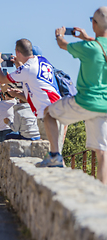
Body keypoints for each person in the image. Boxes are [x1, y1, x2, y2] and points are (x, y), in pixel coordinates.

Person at [41, 7, 107, 183]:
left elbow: (63, 44)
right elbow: (100, 47)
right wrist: (86, 37)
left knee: (48, 113)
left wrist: (59, 35)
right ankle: (103, 197)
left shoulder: (89, 48)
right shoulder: (94, 45)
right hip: (105, 106)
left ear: (94, 23)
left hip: (85, 101)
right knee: (102, 155)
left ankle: (55, 156)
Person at [0, 39, 65, 152]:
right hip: (58, 110)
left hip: (47, 115)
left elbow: (2, 79)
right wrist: (18, 93)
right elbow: (36, 89)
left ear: (17, 52)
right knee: (55, 151)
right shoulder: (43, 60)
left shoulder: (26, 69)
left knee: (50, 152)